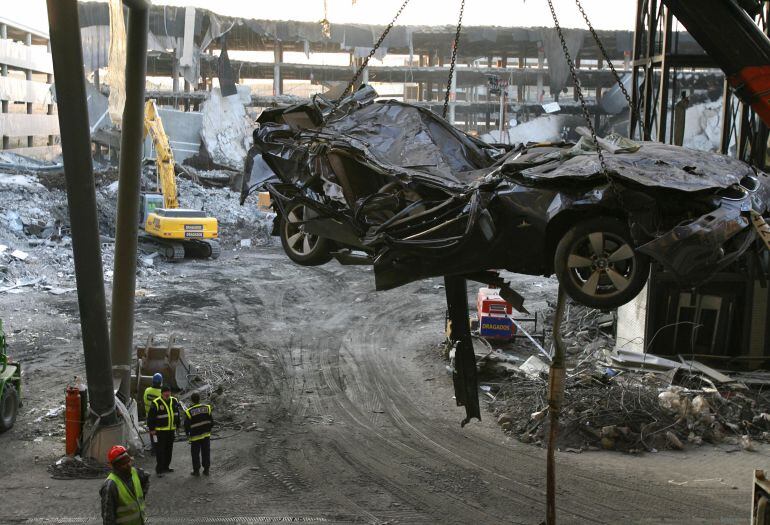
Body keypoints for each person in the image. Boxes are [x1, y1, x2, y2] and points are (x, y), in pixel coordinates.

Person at [100, 445, 149, 525]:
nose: (128, 465)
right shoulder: (110, 486)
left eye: (128, 461)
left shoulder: (135, 472)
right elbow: (108, 517)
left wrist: (142, 495)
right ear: (114, 466)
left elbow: (146, 478)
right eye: (123, 463)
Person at [146, 384, 182, 477]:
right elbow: (151, 418)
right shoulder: (156, 403)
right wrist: (152, 429)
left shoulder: (174, 400)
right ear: (162, 393)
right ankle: (159, 469)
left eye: (168, 392)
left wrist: (178, 425)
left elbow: (177, 414)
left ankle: (166, 466)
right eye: (165, 392)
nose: (167, 393)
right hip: (160, 432)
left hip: (171, 430)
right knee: (160, 450)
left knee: (169, 449)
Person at [184, 392, 215, 476]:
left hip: (195, 436)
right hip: (206, 435)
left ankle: (196, 471)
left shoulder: (189, 411)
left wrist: (187, 434)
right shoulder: (207, 408)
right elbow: (212, 422)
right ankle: (206, 470)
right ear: (199, 399)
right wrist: (208, 429)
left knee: (195, 454)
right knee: (206, 452)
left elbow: (186, 425)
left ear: (191, 400)